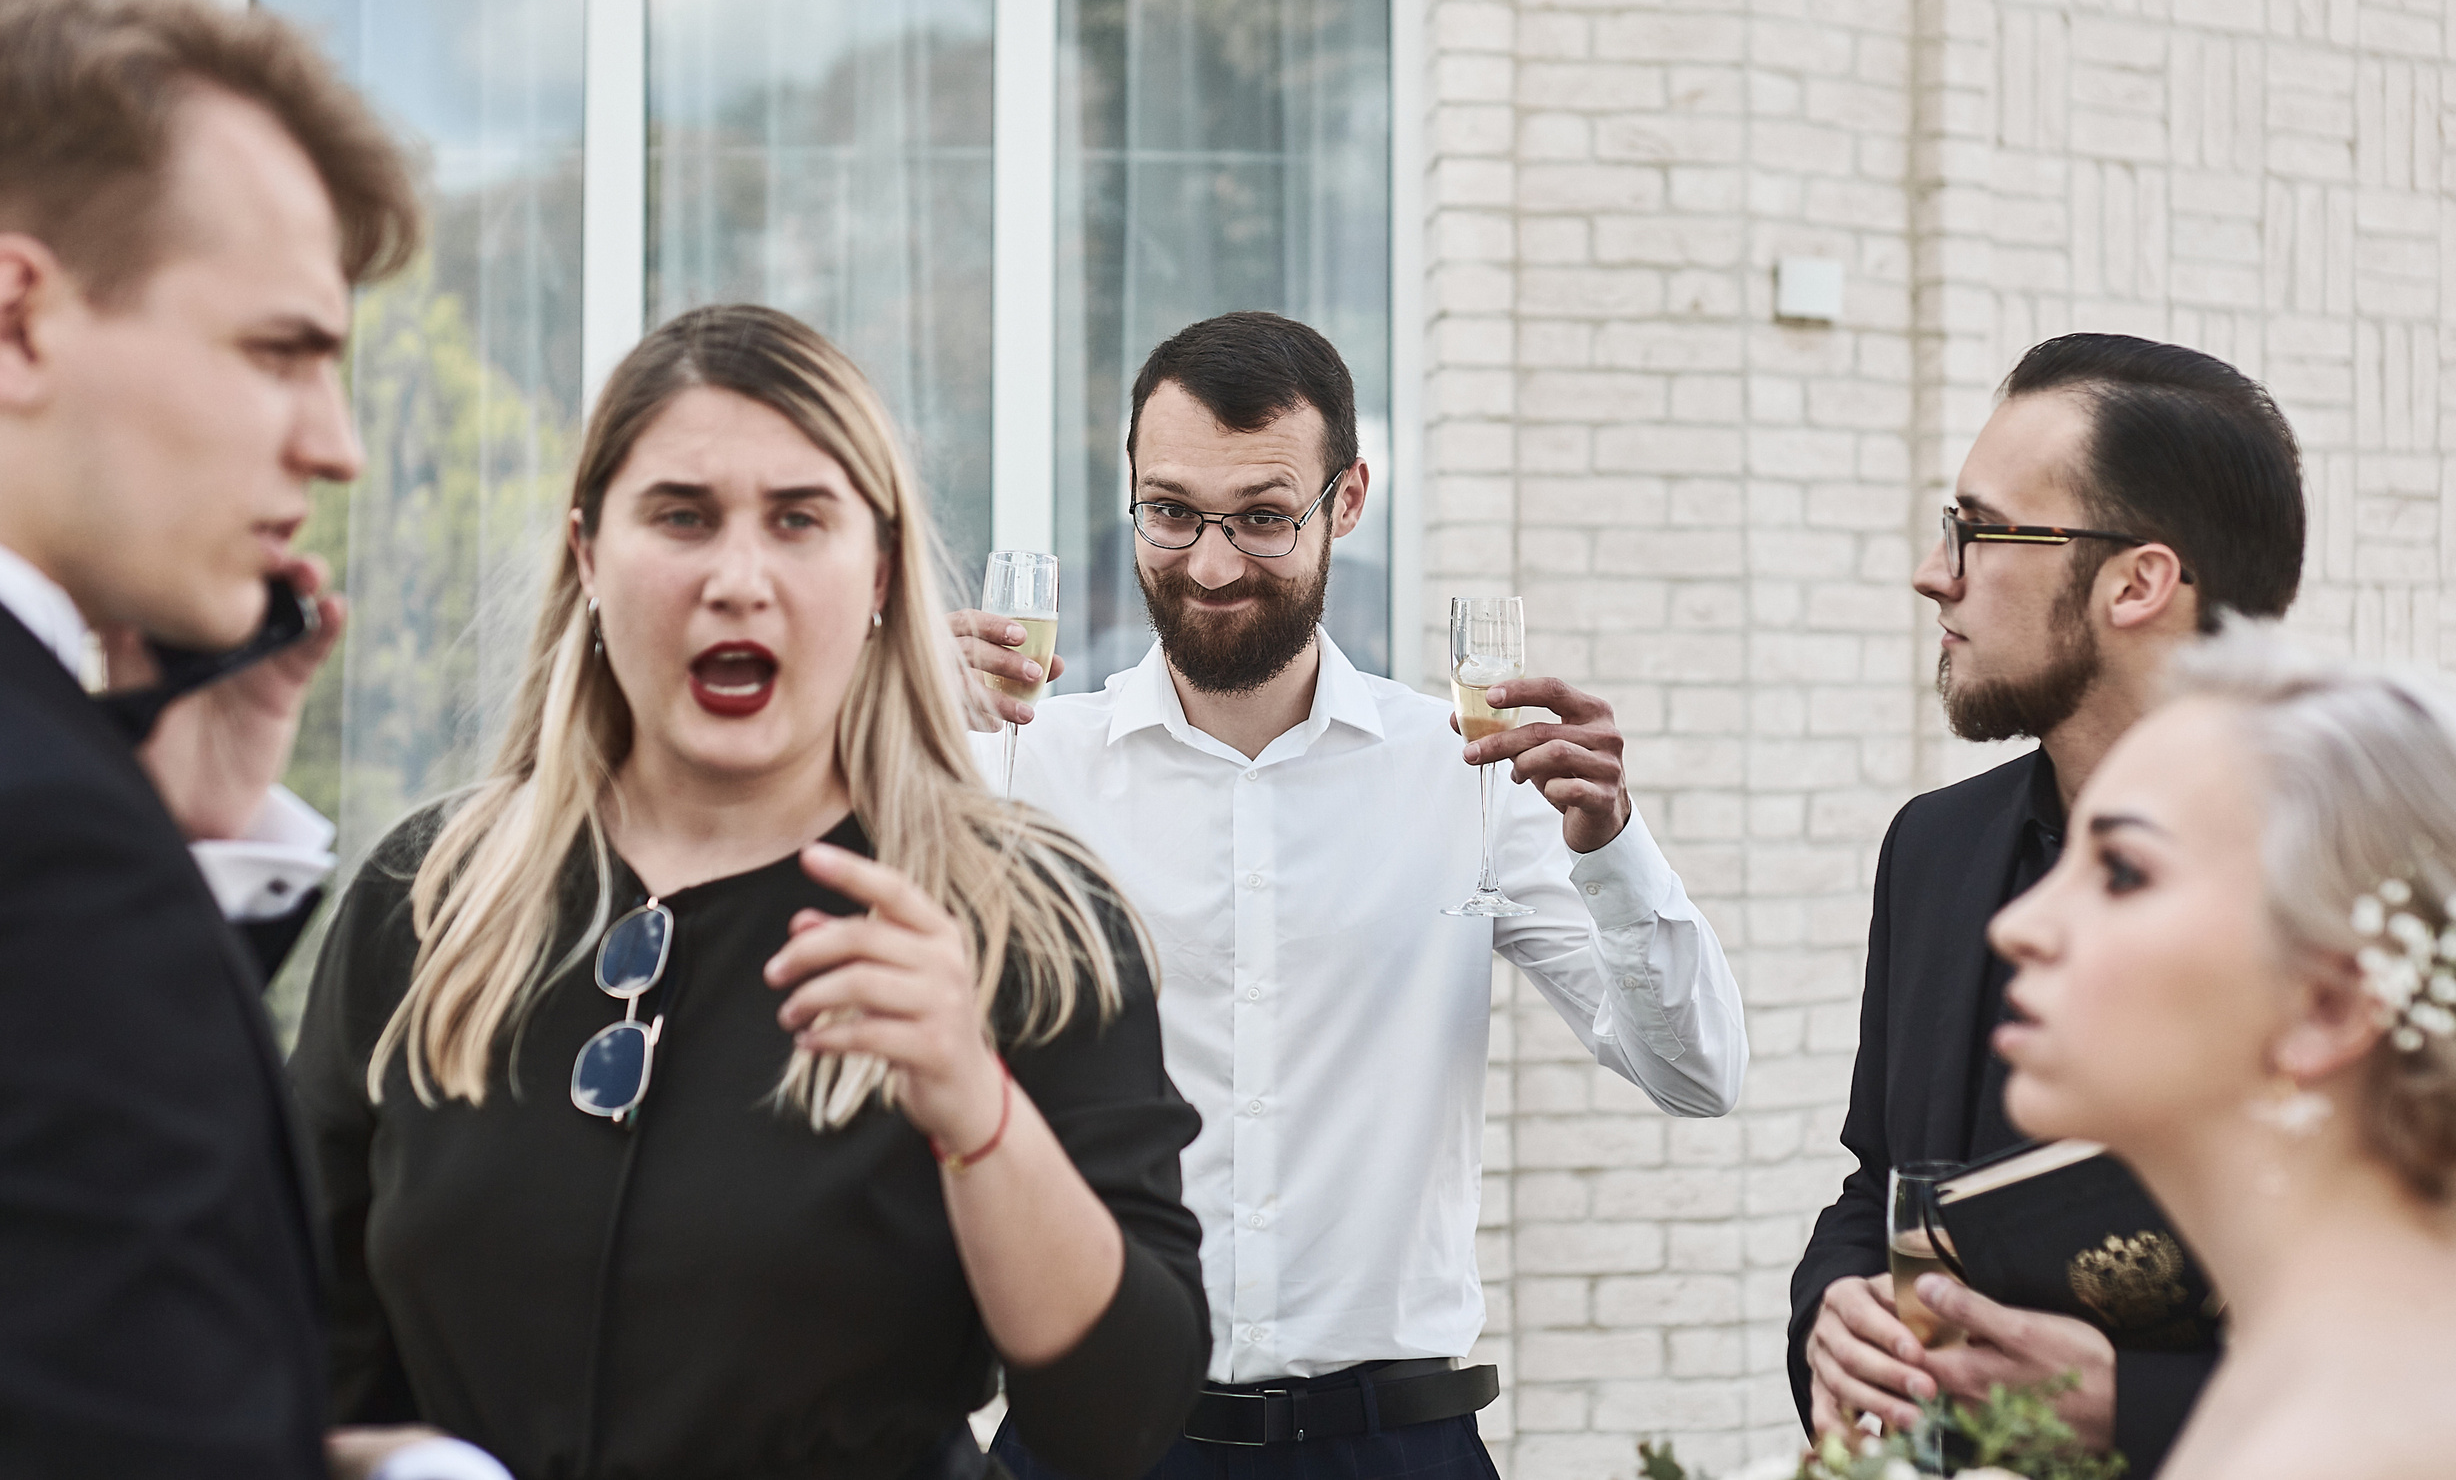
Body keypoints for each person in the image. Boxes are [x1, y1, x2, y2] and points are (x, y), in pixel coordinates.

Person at [291, 305, 1209, 1480]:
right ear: (585, 555)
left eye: (797, 521)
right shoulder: (431, 897)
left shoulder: (1017, 915)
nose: (738, 579)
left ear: (878, 568)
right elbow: (294, 1350)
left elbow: (1115, 1418)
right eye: (680, 516)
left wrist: (975, 1108)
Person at [952, 310, 1745, 1480]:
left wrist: (1612, 846)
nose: (1212, 564)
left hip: (1393, 1445)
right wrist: (883, 731)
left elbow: (1696, 1075)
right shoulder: (1017, 767)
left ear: (1349, 502)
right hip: (1088, 1442)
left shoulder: (1470, 772)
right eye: (1171, 513)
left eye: (1263, 518)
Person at [0, 0, 447, 1476]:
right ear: (14, 320)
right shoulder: (20, 847)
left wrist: (170, 835)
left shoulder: (16, 790)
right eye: (281, 349)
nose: (333, 444)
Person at [1789, 334, 2307, 1475]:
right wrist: (1834, 1311)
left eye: (1976, 529)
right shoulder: (1932, 848)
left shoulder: (2359, 886)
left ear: (2136, 582)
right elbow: (1879, 1186)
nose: (1935, 571)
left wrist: (2140, 1408)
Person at [1987, 627, 2456, 1480]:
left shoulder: (2350, 1444)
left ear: (2328, 1003)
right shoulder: (2307, 1366)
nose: (2016, 927)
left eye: (2122, 871)